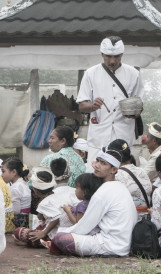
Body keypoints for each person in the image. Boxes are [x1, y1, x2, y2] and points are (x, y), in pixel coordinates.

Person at [51, 148, 138, 257]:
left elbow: (84, 227)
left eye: (103, 163)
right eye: (97, 161)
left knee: (60, 237)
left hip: (110, 246)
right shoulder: (120, 186)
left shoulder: (103, 192)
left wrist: (59, 233)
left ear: (114, 170)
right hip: (123, 245)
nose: (97, 165)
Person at [77, 36, 144, 166]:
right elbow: (82, 106)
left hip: (123, 135)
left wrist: (134, 112)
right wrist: (92, 106)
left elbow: (140, 104)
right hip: (99, 137)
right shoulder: (90, 73)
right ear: (102, 54)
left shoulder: (133, 74)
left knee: (122, 174)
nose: (112, 61)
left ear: (122, 55)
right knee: (95, 174)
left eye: (117, 56)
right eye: (108, 56)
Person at [12, 167, 58, 247]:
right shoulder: (55, 195)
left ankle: (35, 243)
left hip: (52, 233)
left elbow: (56, 218)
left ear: (35, 190)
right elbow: (41, 217)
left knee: (18, 232)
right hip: (58, 230)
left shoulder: (44, 203)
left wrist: (44, 233)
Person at [111, 139, 152, 213]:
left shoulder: (116, 175)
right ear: (130, 154)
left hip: (130, 219)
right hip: (146, 219)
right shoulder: (142, 171)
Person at [1, 157, 31, 228]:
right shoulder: (23, 183)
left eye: (3, 171)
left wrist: (1, 209)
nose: (1, 175)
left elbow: (16, 211)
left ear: (14, 172)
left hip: (20, 223)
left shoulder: (15, 188)